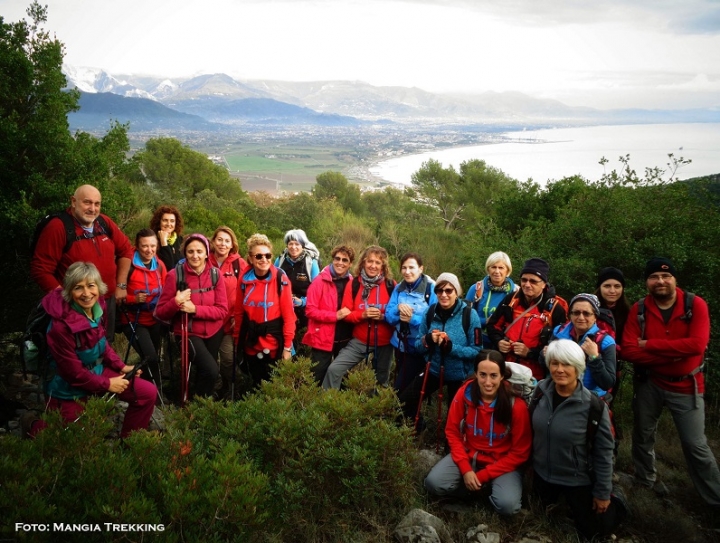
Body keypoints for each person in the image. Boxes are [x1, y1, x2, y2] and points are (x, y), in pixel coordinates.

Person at [622, 257, 720, 506]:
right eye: (654, 277)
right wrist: (676, 354)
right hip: (650, 383)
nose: (660, 281)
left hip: (687, 385)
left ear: (675, 279)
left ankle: (714, 498)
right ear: (647, 282)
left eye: (666, 276)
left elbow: (698, 345)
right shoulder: (640, 309)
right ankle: (645, 480)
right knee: (643, 434)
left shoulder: (694, 305)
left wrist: (650, 346)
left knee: (695, 444)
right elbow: (629, 350)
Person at [23, 262, 156, 439]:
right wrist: (108, 384)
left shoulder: (98, 307)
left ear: (98, 286)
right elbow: (73, 373)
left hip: (97, 371)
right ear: (69, 291)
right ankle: (31, 424)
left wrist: (121, 366)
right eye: (78, 288)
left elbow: (102, 343)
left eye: (91, 286)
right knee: (64, 438)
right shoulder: (60, 327)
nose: (86, 294)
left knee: (147, 393)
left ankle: (130, 446)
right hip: (66, 387)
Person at [532, 339, 623, 541]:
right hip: (542, 475)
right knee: (535, 516)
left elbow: (604, 452)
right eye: (554, 363)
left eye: (567, 364)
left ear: (578, 367)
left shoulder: (593, 406)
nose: (560, 369)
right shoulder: (540, 392)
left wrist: (602, 492)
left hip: (576, 480)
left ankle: (617, 498)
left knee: (595, 531)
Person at [424, 350, 531, 516]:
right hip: (469, 455)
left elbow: (520, 453)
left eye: (493, 375)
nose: (488, 382)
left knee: (507, 506)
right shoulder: (464, 394)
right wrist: (466, 470)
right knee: (433, 483)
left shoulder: (515, 405)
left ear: (502, 376)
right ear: (476, 374)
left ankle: (481, 488)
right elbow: (452, 432)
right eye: (482, 375)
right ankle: (475, 488)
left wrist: (482, 476)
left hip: (502, 463)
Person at [30, 184, 134, 337]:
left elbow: (125, 250)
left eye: (97, 204)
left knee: (105, 347)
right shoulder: (58, 227)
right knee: (81, 350)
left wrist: (121, 285)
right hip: (77, 305)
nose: (92, 208)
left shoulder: (104, 222)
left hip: (107, 301)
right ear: (73, 201)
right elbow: (41, 269)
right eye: (87, 202)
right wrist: (65, 301)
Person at [398, 273, 482, 425]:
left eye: (449, 290)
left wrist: (451, 348)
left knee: (455, 416)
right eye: (439, 290)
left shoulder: (470, 315)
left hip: (459, 374)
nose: (444, 295)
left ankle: (450, 447)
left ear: (456, 292)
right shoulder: (430, 312)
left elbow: (476, 350)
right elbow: (418, 345)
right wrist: (428, 340)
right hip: (434, 369)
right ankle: (416, 430)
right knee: (405, 401)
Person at [154, 234, 228, 399]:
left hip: (214, 331)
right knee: (211, 369)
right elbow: (160, 312)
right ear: (185, 253)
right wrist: (176, 302)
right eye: (190, 251)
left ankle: (199, 406)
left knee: (204, 372)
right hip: (188, 332)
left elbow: (222, 310)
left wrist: (195, 309)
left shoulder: (216, 275)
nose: (195, 255)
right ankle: (198, 407)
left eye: (199, 251)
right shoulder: (175, 275)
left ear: (207, 253)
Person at [322, 245, 396, 389]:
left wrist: (383, 317)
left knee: (381, 383)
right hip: (360, 340)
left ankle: (375, 410)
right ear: (363, 262)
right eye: (370, 261)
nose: (373, 266)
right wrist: (363, 315)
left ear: (383, 266)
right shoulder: (354, 283)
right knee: (334, 369)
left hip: (385, 342)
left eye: (377, 262)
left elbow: (395, 315)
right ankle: (328, 406)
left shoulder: (391, 285)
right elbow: (346, 315)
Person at [486, 257, 567, 380]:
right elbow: (492, 325)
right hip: (506, 368)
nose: (527, 284)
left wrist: (529, 353)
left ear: (544, 284)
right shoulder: (511, 300)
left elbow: (559, 345)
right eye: (524, 280)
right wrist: (498, 342)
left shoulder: (555, 308)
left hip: (535, 373)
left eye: (533, 281)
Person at [234, 234, 296, 388]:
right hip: (251, 341)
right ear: (250, 258)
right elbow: (239, 313)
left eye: (267, 255)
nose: (264, 259)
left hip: (274, 342)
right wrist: (237, 342)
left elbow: (289, 316)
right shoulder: (244, 280)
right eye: (259, 256)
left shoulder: (280, 279)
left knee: (273, 386)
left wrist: (287, 348)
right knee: (255, 383)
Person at [119, 229, 168, 391]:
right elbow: (115, 294)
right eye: (145, 246)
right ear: (137, 246)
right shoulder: (128, 265)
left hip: (155, 319)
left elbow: (167, 289)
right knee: (151, 358)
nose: (149, 250)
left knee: (153, 358)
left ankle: (144, 390)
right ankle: (155, 393)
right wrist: (134, 299)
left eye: (153, 246)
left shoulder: (159, 265)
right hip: (133, 320)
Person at [544, 293, 616, 399]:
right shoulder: (559, 332)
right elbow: (545, 366)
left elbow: (608, 383)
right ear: (570, 315)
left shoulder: (605, 341)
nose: (581, 317)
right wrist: (544, 355)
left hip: (589, 398)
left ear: (595, 316)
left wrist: (594, 357)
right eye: (576, 313)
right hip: (558, 393)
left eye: (586, 313)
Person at [302, 245, 356, 384]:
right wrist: (335, 316)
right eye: (337, 258)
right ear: (332, 259)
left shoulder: (352, 282)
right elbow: (310, 310)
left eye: (345, 260)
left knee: (343, 380)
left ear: (350, 264)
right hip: (322, 339)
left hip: (345, 339)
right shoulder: (319, 281)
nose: (340, 262)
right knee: (316, 377)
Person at [385, 253, 436, 393]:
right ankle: (403, 411)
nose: (407, 272)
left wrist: (412, 319)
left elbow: (436, 322)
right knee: (403, 383)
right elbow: (388, 317)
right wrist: (398, 309)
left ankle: (404, 411)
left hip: (420, 348)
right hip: (400, 345)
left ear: (421, 269)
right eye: (404, 268)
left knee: (406, 388)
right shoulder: (399, 288)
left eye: (411, 267)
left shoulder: (431, 290)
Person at [208, 226, 247, 398]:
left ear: (232, 244)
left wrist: (238, 316)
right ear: (213, 241)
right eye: (219, 240)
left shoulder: (240, 264)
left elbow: (247, 292)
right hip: (207, 320)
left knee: (228, 359)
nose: (223, 244)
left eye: (227, 241)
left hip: (229, 322)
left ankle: (229, 389)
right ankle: (212, 390)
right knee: (208, 361)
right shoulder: (204, 260)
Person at [465, 251, 518, 348]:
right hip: (479, 341)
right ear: (488, 269)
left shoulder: (516, 292)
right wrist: (485, 321)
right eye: (493, 267)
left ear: (508, 271)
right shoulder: (476, 289)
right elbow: (464, 316)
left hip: (505, 343)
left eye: (501, 268)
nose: (497, 271)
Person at [274, 229, 320, 331]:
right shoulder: (280, 260)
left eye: (297, 244)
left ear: (302, 246)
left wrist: (303, 302)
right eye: (290, 244)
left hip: (304, 308)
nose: (293, 247)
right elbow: (272, 282)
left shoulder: (311, 263)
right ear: (287, 245)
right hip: (282, 305)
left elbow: (317, 291)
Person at [595, 267, 631, 348]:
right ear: (599, 288)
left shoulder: (629, 312)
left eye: (617, 286)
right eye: (607, 286)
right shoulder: (589, 310)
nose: (612, 291)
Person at [150, 205, 184, 272]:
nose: (168, 224)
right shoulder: (152, 241)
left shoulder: (181, 240)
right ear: (159, 222)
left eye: (172, 221)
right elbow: (169, 266)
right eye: (165, 220)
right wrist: (164, 242)